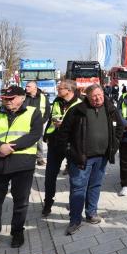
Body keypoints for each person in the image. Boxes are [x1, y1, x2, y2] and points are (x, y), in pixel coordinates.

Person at [0, 85, 43, 252]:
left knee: (21, 201)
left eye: (11, 99)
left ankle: (17, 232)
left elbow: (34, 135)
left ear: (21, 98)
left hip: (22, 163)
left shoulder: (33, 112)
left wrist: (11, 147)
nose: (7, 102)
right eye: (4, 99)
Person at [56, 85, 122, 235]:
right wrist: (70, 153)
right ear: (87, 96)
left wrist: (114, 145)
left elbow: (119, 128)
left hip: (102, 157)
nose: (98, 99)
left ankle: (91, 213)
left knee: (95, 185)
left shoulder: (110, 109)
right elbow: (63, 134)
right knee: (78, 188)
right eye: (94, 96)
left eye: (100, 95)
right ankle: (75, 220)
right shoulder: (77, 110)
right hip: (81, 158)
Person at [41, 79, 82, 217]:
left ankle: (73, 202)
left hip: (72, 144)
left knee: (74, 176)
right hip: (55, 143)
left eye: (60, 88)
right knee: (50, 176)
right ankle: (47, 203)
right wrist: (46, 134)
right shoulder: (57, 102)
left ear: (69, 90)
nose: (57, 90)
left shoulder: (80, 103)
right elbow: (51, 118)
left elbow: (82, 126)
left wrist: (65, 124)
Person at [24, 81, 51, 166]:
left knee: (38, 141)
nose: (26, 88)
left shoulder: (43, 97)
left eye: (29, 86)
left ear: (35, 88)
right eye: (26, 86)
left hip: (38, 123)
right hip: (24, 122)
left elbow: (47, 111)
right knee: (25, 139)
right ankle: (26, 158)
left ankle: (39, 159)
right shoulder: (23, 96)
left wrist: (42, 121)